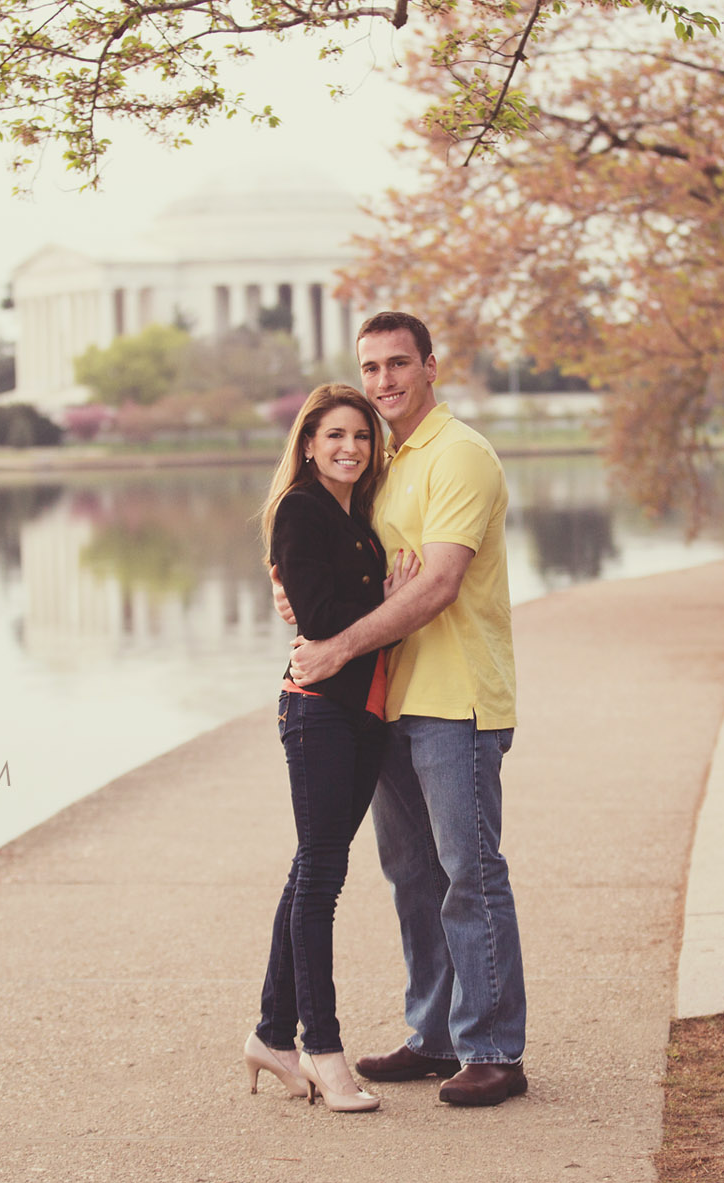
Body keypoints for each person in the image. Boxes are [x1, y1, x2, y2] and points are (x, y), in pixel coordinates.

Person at [284, 312, 528, 1107]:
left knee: (470, 873)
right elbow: (341, 558)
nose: (385, 379)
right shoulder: (387, 464)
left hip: (455, 698)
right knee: (412, 876)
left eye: (399, 364)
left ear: (431, 365)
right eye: (372, 366)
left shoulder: (459, 455)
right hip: (389, 700)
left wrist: (340, 646)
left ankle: (493, 1049)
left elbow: (439, 582)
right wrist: (292, 589)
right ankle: (434, 1037)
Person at [244, 383, 419, 1114]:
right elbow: (315, 616)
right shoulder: (301, 509)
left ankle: (269, 1036)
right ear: (309, 444)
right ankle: (324, 1050)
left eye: (362, 436)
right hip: (318, 712)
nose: (351, 447)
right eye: (335, 435)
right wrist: (388, 595)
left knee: (310, 873)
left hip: (365, 713)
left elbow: (329, 607)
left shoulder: (360, 514)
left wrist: (384, 597)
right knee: (321, 882)